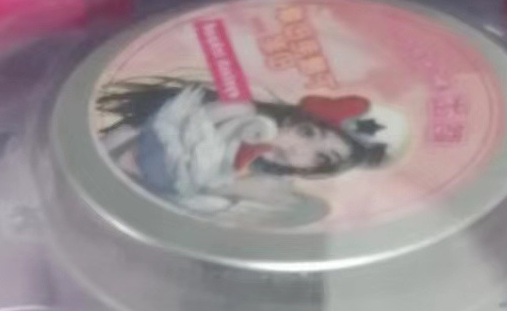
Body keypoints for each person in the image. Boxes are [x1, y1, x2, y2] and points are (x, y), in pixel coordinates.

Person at [95, 77, 395, 222]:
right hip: (119, 166)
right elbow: (187, 127)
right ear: (290, 119)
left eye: (321, 158)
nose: (298, 151)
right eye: (307, 133)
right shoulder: (238, 112)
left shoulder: (266, 186)